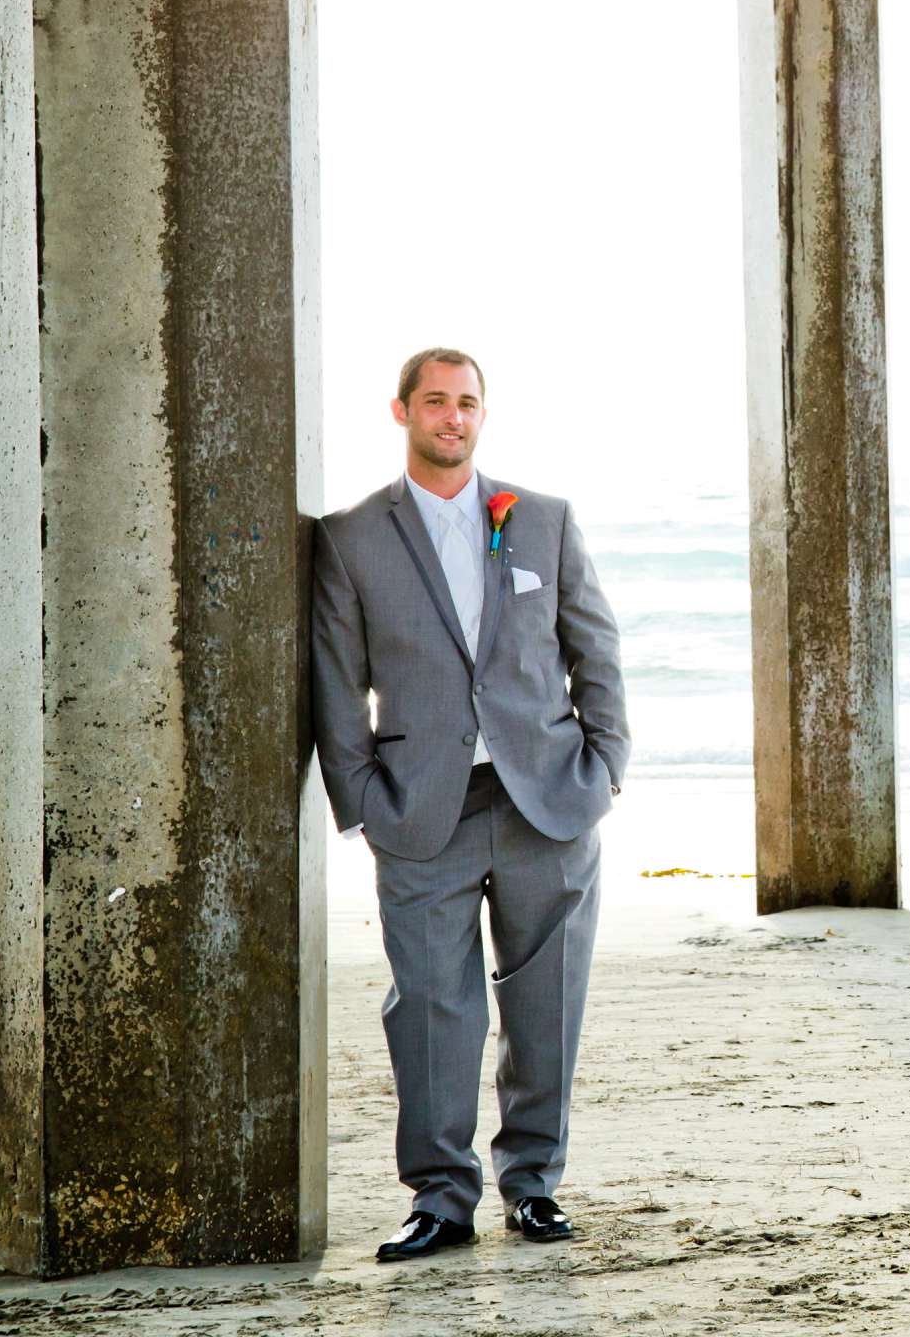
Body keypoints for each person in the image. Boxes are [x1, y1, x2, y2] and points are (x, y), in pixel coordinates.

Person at [312, 348, 629, 1262]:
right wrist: (362, 802)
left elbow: (595, 651)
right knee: (431, 1008)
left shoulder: (543, 520)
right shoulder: (350, 537)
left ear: (483, 415)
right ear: (403, 410)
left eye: (468, 404)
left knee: (547, 1002)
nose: (454, 418)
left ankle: (533, 1186)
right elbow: (337, 689)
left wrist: (606, 765)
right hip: (421, 812)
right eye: (437, 402)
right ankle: (442, 1198)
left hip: (548, 805)